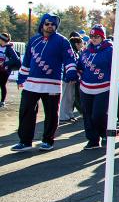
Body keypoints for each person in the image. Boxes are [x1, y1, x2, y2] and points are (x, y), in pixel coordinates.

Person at [12, 13, 78, 152]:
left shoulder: (62, 41)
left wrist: (71, 71)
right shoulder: (34, 40)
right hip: (31, 83)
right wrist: (21, 78)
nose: (50, 26)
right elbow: (27, 61)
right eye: (47, 23)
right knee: (26, 111)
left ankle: (48, 141)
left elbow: (69, 58)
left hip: (52, 84)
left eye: (53, 24)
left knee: (51, 114)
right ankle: (25, 141)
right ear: (42, 24)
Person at [77, 25, 117, 150]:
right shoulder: (86, 50)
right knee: (87, 115)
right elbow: (80, 66)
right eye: (92, 36)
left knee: (98, 115)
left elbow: (116, 69)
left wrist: (118, 89)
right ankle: (93, 140)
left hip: (103, 88)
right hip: (85, 87)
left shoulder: (110, 50)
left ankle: (104, 132)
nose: (94, 39)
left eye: (97, 36)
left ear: (102, 37)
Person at [0, 33, 21, 108]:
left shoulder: (9, 48)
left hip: (5, 70)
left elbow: (16, 60)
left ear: (3, 40)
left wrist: (5, 63)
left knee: (2, 84)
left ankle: (2, 101)